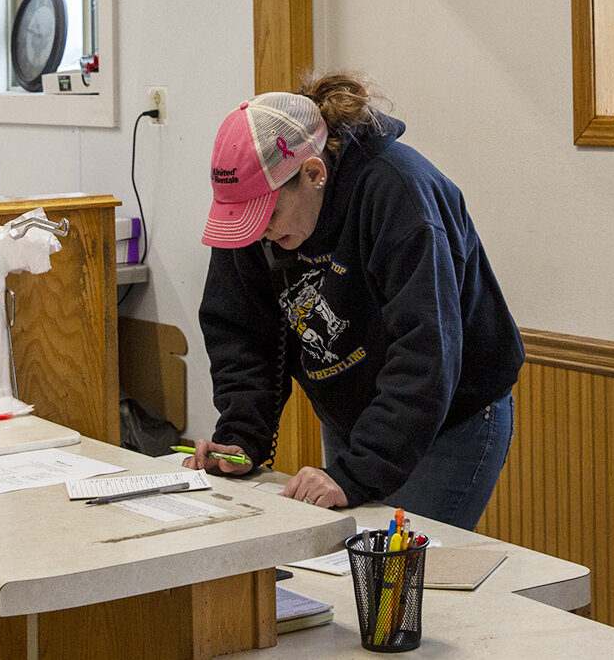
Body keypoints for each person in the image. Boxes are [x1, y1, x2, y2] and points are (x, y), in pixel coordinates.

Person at [183, 74, 522, 531]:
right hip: (356, 410)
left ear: (314, 174)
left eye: (267, 217)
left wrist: (358, 471)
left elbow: (426, 352)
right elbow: (241, 332)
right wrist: (242, 437)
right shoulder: (253, 213)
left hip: (449, 413)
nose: (258, 233)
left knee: (398, 580)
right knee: (350, 573)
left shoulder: (399, 192)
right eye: (243, 220)